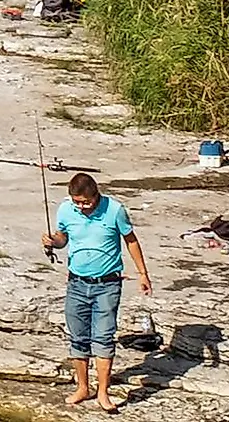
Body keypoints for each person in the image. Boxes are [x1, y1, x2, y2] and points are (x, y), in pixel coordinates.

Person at [44, 170, 151, 413]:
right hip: (77, 283)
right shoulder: (65, 209)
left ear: (96, 194)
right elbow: (63, 239)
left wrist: (143, 273)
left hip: (108, 284)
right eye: (77, 202)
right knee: (78, 337)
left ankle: (103, 392)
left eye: (86, 202)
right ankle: (83, 387)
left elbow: (130, 240)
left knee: (103, 338)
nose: (82, 206)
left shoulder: (115, 210)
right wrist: (53, 241)